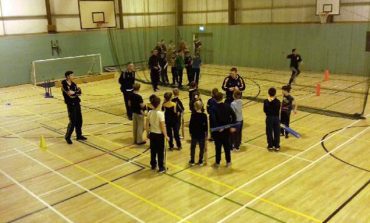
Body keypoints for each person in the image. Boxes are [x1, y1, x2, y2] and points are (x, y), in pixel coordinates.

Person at [61, 71, 87, 144]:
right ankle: (67, 137)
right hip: (70, 104)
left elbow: (79, 93)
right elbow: (70, 95)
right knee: (73, 121)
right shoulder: (64, 85)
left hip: (77, 103)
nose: (73, 76)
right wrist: (76, 92)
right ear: (67, 76)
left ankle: (79, 135)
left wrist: (75, 92)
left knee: (79, 120)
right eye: (72, 75)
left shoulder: (73, 84)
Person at [213, 92, 236, 167]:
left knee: (218, 147)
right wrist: (232, 126)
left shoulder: (214, 108)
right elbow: (234, 116)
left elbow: (213, 120)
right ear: (222, 98)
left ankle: (217, 162)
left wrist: (217, 128)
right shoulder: (227, 106)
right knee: (227, 147)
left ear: (215, 99)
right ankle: (228, 162)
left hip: (218, 131)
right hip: (226, 130)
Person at [146, 95, 169, 173]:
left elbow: (146, 124)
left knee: (153, 150)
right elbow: (162, 126)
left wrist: (147, 132)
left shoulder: (149, 112)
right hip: (159, 135)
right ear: (159, 104)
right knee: (160, 151)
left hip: (152, 134)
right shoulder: (160, 114)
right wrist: (166, 135)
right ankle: (161, 167)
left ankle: (153, 165)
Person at [189, 101, 208, 166]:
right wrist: (206, 134)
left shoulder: (193, 115)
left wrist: (190, 132)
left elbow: (190, 125)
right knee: (201, 148)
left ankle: (192, 160)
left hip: (194, 134)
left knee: (193, 147)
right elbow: (206, 126)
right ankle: (200, 160)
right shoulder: (204, 115)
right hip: (202, 134)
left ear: (195, 107)